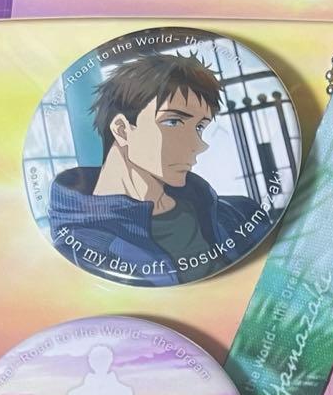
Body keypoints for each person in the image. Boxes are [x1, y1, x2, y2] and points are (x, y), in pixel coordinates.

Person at [48, 52, 269, 285]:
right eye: (173, 122)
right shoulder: (80, 251)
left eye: (199, 127)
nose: (199, 144)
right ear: (122, 130)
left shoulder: (240, 214)